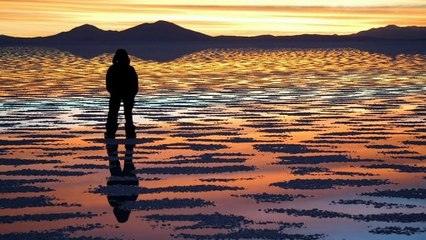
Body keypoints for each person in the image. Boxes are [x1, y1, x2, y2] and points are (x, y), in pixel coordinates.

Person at [105, 49, 138, 139]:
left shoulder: (113, 68)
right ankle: (127, 132)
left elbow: (108, 84)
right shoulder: (129, 69)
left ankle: (111, 132)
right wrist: (132, 94)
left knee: (114, 113)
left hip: (121, 94)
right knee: (125, 114)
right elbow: (135, 85)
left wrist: (113, 92)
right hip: (122, 94)